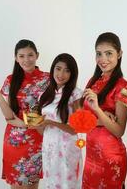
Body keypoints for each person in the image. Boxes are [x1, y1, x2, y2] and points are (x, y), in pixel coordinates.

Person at [0, 39, 49, 189]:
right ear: (16, 58)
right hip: (14, 140)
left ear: (37, 55)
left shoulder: (48, 79)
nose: (26, 60)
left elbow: (52, 110)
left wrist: (28, 123)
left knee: (31, 185)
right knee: (16, 187)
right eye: (21, 56)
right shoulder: (11, 80)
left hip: (36, 139)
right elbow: (9, 116)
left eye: (30, 55)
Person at [82, 32, 127, 188]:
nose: (103, 59)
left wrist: (97, 110)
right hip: (91, 156)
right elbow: (82, 121)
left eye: (109, 53)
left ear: (119, 54)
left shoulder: (122, 87)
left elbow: (119, 130)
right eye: (99, 54)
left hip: (110, 156)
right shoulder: (93, 81)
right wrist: (103, 119)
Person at [36, 53, 82, 189]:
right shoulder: (44, 95)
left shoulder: (76, 94)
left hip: (67, 149)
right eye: (58, 68)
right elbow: (41, 131)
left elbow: (76, 129)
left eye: (67, 70)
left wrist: (51, 122)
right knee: (51, 184)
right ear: (53, 69)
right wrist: (36, 124)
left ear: (72, 74)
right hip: (49, 148)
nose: (61, 74)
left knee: (67, 184)